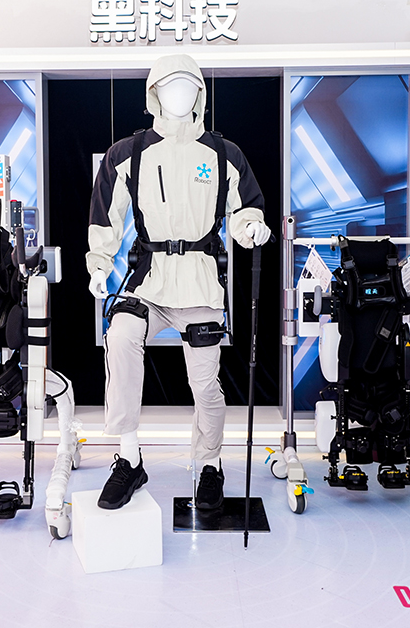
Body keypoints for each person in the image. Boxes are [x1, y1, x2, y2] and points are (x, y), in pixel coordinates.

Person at [87, 54, 270, 510]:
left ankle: (209, 464)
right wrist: (98, 265)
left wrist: (250, 227)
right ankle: (129, 458)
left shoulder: (224, 153)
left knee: (205, 384)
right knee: (120, 336)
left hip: (200, 281)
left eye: (189, 85)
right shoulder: (127, 153)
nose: (180, 93)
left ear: (201, 94)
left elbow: (245, 207)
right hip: (148, 280)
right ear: (154, 93)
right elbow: (105, 216)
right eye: (170, 85)